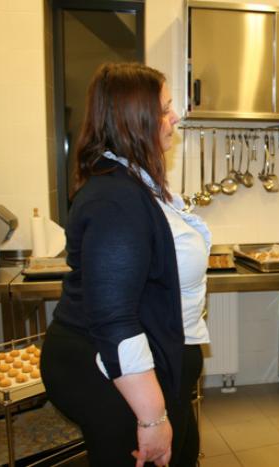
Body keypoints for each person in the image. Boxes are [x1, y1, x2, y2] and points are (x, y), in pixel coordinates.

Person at [41, 62, 211, 467]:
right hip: (108, 371)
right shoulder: (115, 199)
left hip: (142, 369)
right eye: (164, 109)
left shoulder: (134, 182)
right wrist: (152, 418)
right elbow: (114, 320)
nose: (175, 117)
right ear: (134, 120)